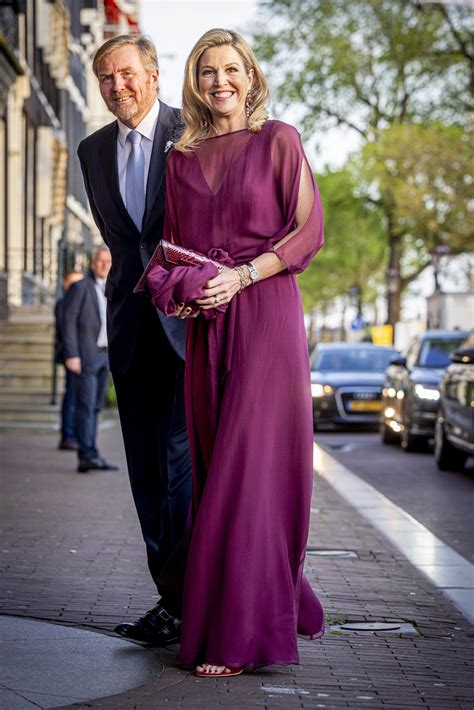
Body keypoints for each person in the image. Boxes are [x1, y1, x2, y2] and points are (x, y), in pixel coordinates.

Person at [145, 28, 325, 677]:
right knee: (217, 461)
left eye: (230, 69)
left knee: (247, 470)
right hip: (208, 324)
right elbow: (170, 250)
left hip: (266, 316)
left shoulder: (280, 138)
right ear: (194, 83)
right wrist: (185, 296)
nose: (219, 80)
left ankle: (237, 636)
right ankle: (263, 600)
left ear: (249, 76)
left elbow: (309, 231)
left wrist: (244, 276)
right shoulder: (180, 158)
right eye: (206, 71)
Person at [77, 35, 192, 644]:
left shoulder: (192, 130)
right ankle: (168, 599)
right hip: (129, 331)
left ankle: (190, 595)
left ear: (151, 74)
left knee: (180, 467)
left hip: (185, 329)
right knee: (144, 473)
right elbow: (122, 244)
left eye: (124, 74)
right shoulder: (91, 149)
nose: (114, 86)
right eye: (103, 77)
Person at [62, 247, 118, 473]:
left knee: (95, 407)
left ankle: (92, 452)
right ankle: (86, 454)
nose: (104, 265)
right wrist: (72, 354)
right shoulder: (80, 287)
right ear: (92, 262)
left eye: (108, 261)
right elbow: (68, 321)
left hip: (106, 356)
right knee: (85, 407)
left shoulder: (113, 288)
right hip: (86, 355)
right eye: (100, 261)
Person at [55, 270, 84, 450]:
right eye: (74, 284)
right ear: (66, 285)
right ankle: (68, 435)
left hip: (83, 356)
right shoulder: (63, 303)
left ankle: (74, 434)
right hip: (73, 357)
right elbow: (65, 330)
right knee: (72, 397)